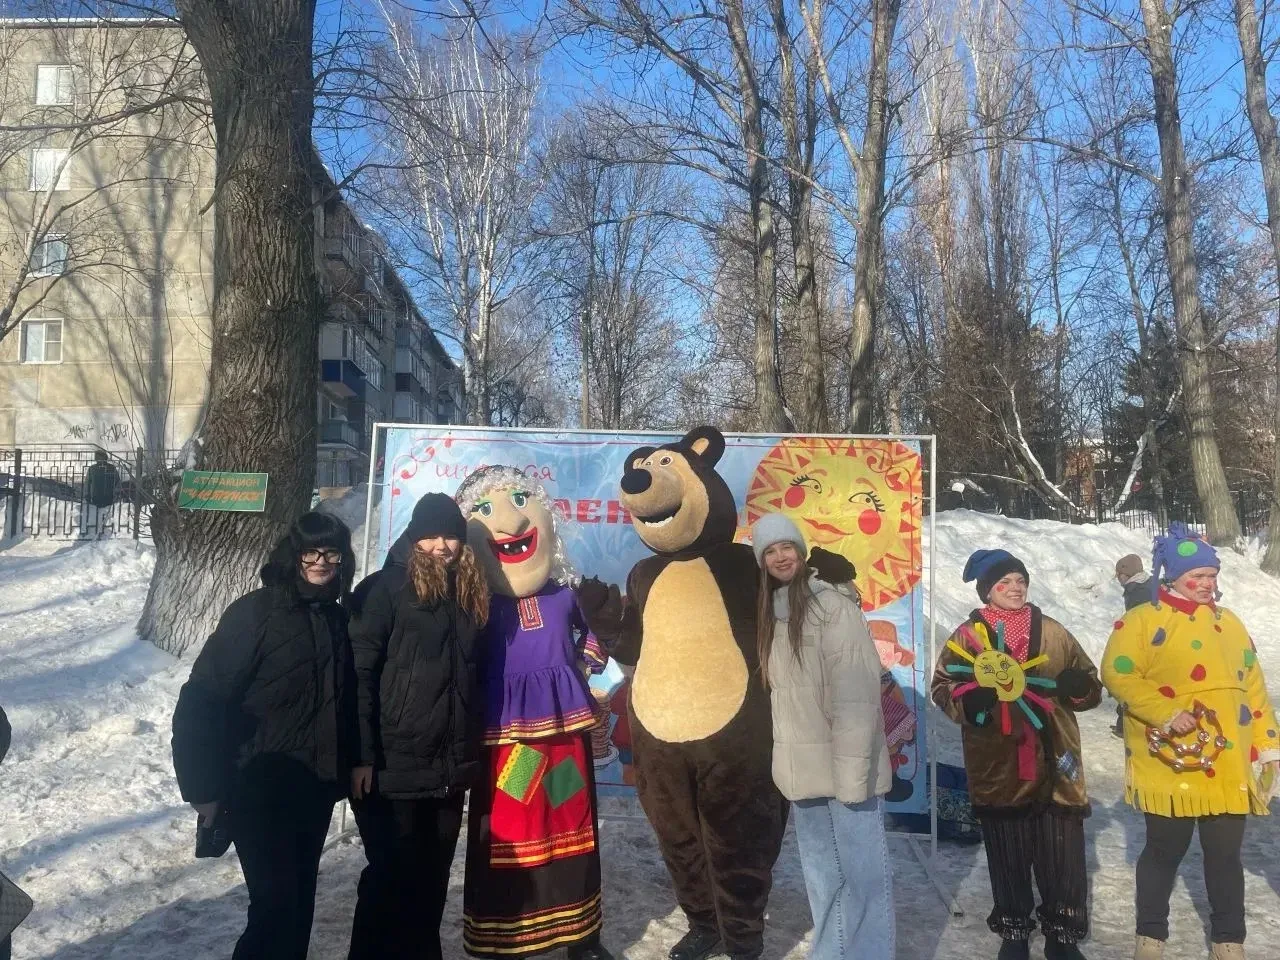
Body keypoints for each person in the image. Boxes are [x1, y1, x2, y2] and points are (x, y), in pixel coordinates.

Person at [171, 512, 357, 960]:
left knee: (299, 905)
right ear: (293, 555)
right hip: (257, 789)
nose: (321, 561)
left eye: (331, 552)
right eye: (310, 551)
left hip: (313, 791)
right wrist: (202, 790)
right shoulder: (256, 613)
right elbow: (201, 700)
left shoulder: (336, 618)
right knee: (274, 908)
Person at [455, 466, 612, 960]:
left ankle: (580, 936)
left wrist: (584, 667)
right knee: (513, 827)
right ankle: (506, 936)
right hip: (511, 741)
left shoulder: (564, 594)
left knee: (569, 822)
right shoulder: (477, 603)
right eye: (485, 511)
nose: (507, 522)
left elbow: (596, 637)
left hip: (565, 737)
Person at [1102, 524, 1280, 960]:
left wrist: (1268, 746)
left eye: (1211, 576)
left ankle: (1228, 939)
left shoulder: (1229, 622)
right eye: (1196, 576)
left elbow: (1254, 689)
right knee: (1164, 851)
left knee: (1225, 856)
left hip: (1229, 763)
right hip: (1169, 760)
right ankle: (1150, 935)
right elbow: (1118, 673)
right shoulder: (1143, 619)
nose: (1206, 584)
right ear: (1173, 577)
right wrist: (1164, 711)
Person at [931, 549, 1102, 960]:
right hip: (998, 759)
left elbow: (1091, 683)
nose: (1015, 588)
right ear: (987, 590)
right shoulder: (968, 637)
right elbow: (942, 685)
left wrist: (1080, 687)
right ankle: (1014, 931)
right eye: (1004, 582)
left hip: (1056, 755)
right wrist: (969, 700)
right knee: (1007, 849)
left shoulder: (1054, 633)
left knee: (1062, 851)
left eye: (1020, 580)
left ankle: (1062, 934)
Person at [346, 494, 492, 960]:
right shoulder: (384, 589)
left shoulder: (468, 591)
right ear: (413, 537)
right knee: (389, 877)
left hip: (448, 769)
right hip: (393, 765)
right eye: (430, 535)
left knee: (433, 878)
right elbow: (359, 674)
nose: (441, 545)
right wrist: (362, 756)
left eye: (450, 535)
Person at [751, 514, 895, 959]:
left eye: (786, 547)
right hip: (804, 771)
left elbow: (855, 697)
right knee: (822, 877)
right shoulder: (771, 613)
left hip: (846, 767)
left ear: (801, 550)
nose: (780, 557)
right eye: (769, 551)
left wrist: (853, 775)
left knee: (863, 877)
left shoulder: (832, 605)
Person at [1112, 555, 1153, 738]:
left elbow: (1139, 621)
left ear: (1125, 574)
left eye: (1119, 575)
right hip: (1151, 642)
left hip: (1144, 644)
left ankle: (1126, 726)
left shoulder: (1137, 591)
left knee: (1130, 681)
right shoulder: (1147, 585)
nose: (1118, 579)